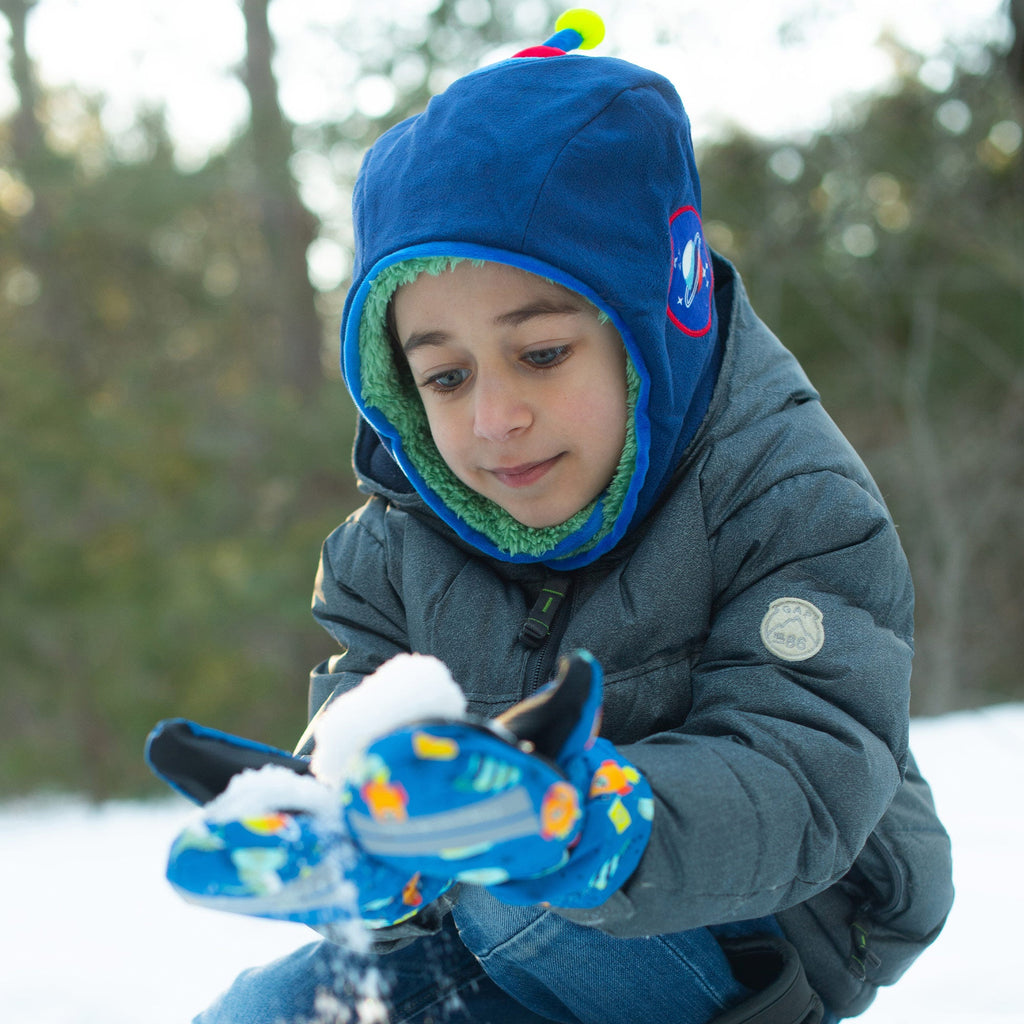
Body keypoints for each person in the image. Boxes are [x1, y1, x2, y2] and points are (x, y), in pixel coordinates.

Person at [180, 11, 954, 1024]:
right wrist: (345, 812)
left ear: (650, 319)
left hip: (781, 925)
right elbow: (367, 698)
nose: (494, 419)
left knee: (514, 892)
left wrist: (582, 821)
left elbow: (802, 772)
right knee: (264, 1012)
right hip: (505, 912)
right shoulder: (398, 539)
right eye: (445, 376)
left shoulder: (790, 496)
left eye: (540, 353)